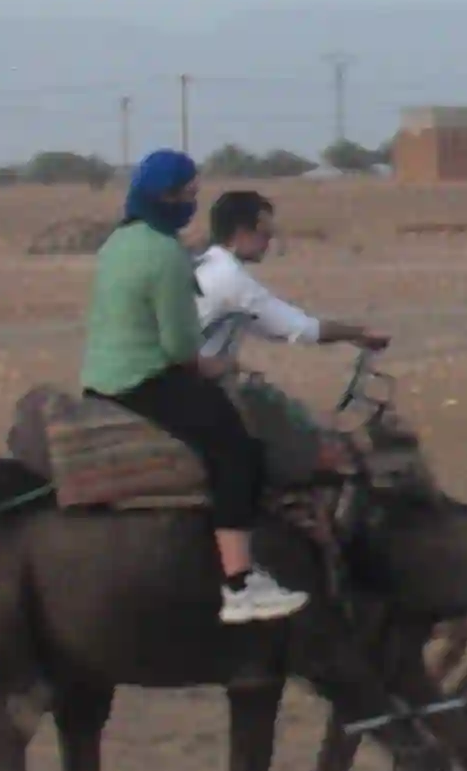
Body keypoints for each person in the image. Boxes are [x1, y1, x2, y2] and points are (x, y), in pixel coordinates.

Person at [82, 151, 305, 624]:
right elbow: (181, 347)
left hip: (101, 378)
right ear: (166, 196)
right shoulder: (167, 254)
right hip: (144, 379)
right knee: (238, 450)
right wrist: (218, 366)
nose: (191, 203)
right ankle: (240, 583)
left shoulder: (116, 242)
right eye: (187, 194)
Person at [194, 189, 391, 365]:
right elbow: (302, 329)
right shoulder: (231, 278)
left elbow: (267, 326)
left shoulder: (203, 262)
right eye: (265, 232)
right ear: (241, 232)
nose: (269, 241)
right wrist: (359, 333)